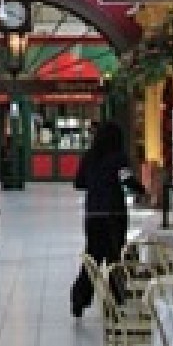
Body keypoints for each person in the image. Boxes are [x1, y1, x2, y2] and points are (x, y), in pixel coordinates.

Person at [69, 119, 145, 316]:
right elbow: (126, 179)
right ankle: (115, 297)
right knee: (114, 257)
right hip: (114, 213)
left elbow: (79, 182)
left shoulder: (89, 157)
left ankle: (80, 297)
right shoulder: (118, 157)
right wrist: (141, 190)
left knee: (93, 256)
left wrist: (96, 183)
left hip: (93, 213)